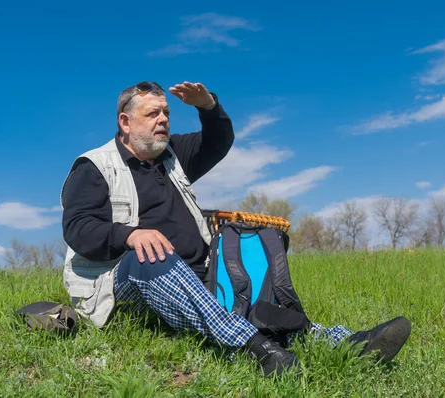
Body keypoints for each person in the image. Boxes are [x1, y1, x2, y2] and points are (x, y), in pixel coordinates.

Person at [60, 80, 411, 377]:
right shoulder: (94, 166)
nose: (163, 120)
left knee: (248, 253)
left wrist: (209, 107)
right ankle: (253, 348)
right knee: (149, 255)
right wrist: (130, 234)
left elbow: (217, 142)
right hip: (123, 285)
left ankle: (345, 342)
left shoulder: (172, 154)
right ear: (125, 122)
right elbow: (78, 228)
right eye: (152, 114)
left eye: (166, 113)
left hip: (195, 275)